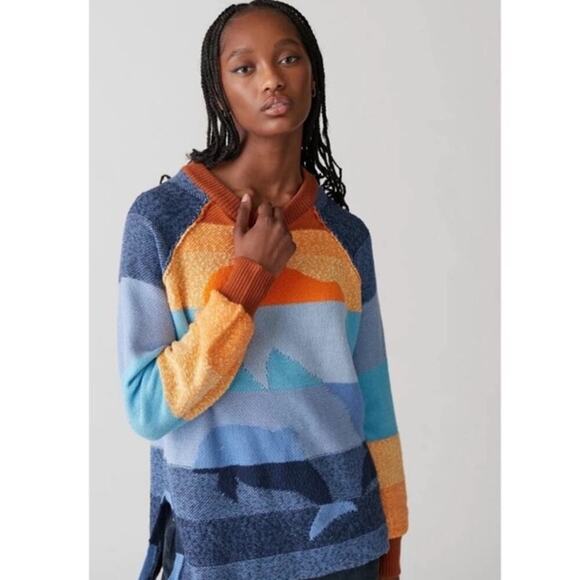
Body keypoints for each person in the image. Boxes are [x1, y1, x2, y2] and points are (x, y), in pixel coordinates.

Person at [116, 1, 409, 578]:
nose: (272, 78)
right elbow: (147, 409)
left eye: (288, 59)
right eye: (245, 67)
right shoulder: (162, 222)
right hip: (217, 554)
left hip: (347, 549)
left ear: (313, 76)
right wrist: (246, 281)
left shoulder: (345, 237)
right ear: (219, 90)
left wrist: (392, 544)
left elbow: (376, 409)